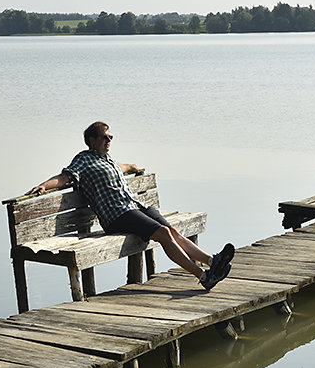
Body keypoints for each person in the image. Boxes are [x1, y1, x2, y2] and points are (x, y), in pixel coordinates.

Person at [27, 121, 235, 290]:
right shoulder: (84, 160)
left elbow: (121, 167)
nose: (109, 140)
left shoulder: (107, 159)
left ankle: (212, 261)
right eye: (104, 137)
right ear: (92, 140)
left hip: (135, 206)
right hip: (117, 215)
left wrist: (132, 167)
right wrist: (43, 186)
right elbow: (64, 177)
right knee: (163, 233)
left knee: (171, 231)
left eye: (111, 137)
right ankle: (204, 276)